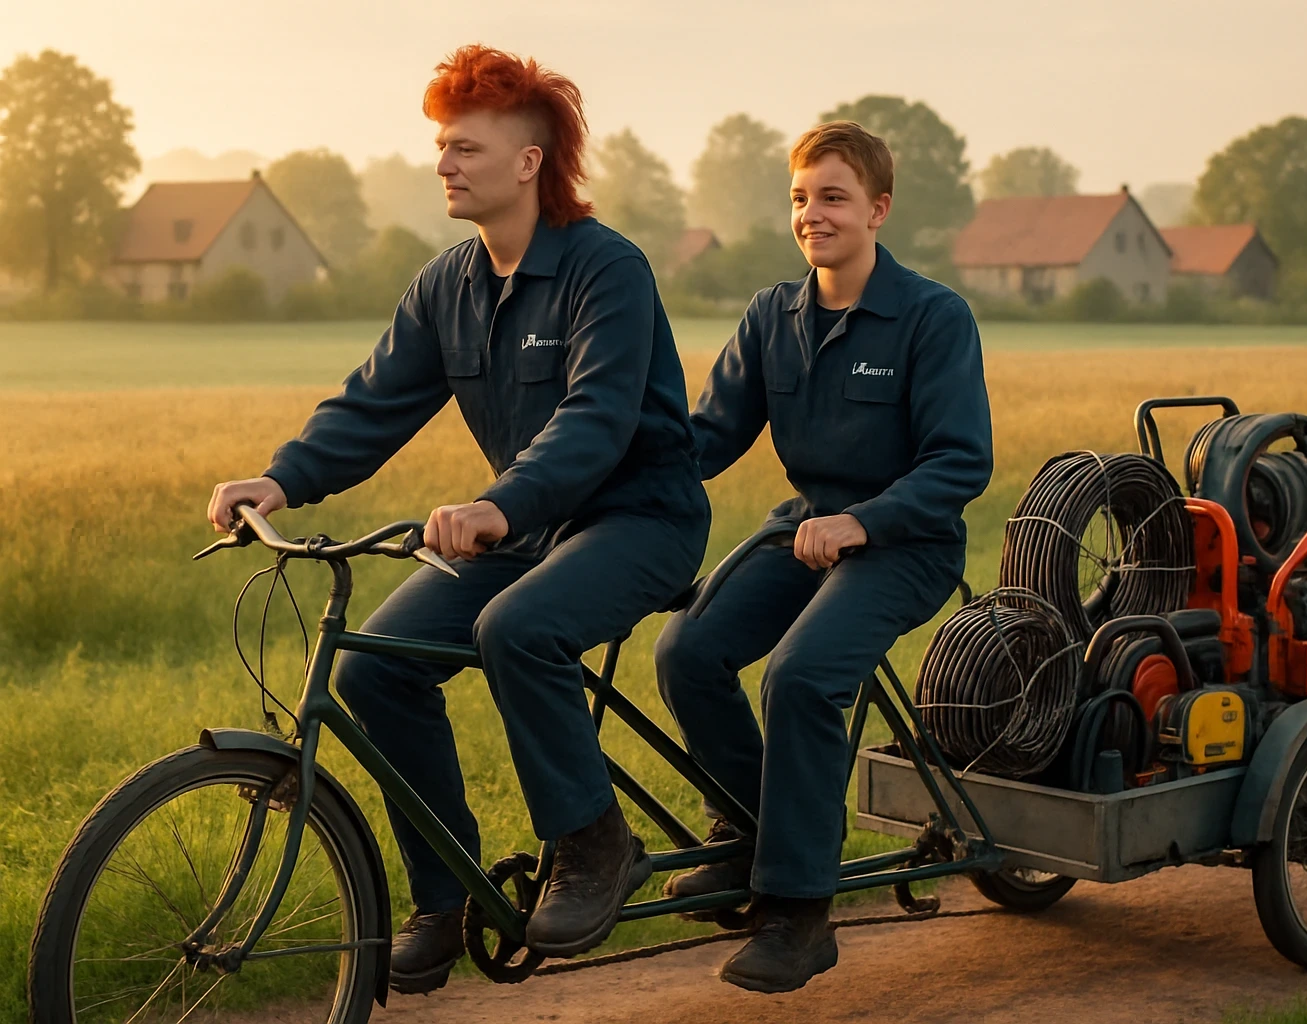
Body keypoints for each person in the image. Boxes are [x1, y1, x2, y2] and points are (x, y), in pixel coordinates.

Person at [205, 46, 710, 996]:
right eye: (440, 144)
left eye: (465, 147)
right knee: (374, 664)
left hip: (640, 520)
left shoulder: (608, 270)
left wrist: (497, 504)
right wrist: (280, 480)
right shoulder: (449, 284)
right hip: (526, 531)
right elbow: (371, 403)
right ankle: (447, 897)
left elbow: (596, 421)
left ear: (528, 161)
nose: (443, 162)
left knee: (516, 627)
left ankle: (592, 844)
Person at [653, 121, 993, 993]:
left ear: (878, 209)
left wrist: (863, 523)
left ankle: (800, 912)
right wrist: (602, 481)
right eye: (801, 199)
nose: (813, 215)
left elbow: (961, 462)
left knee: (801, 678)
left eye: (834, 197)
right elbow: (707, 434)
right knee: (687, 650)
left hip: (905, 544)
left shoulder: (932, 316)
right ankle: (747, 832)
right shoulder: (774, 315)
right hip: (802, 530)